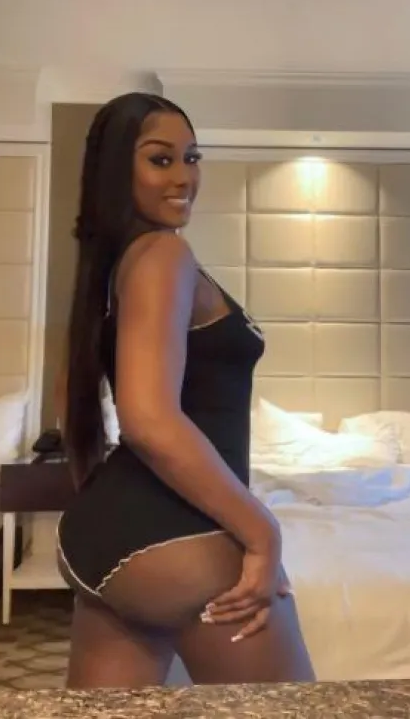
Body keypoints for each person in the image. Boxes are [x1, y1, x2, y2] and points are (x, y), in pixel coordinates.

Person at [55, 92, 315, 688]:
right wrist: (261, 531)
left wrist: (109, 503)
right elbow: (147, 419)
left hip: (107, 537)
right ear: (118, 170)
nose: (184, 177)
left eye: (192, 158)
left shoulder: (112, 266)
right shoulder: (163, 254)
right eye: (160, 159)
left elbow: (71, 395)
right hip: (175, 533)